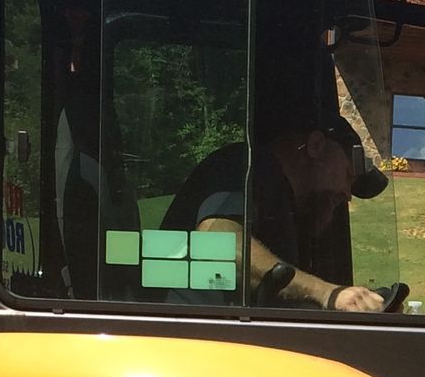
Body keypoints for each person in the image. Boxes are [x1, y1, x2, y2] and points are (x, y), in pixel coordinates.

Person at [163, 118, 389, 312]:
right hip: (187, 339)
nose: (347, 194)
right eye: (348, 175)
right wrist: (328, 294)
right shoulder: (249, 166)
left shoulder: (286, 204)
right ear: (316, 146)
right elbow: (216, 243)